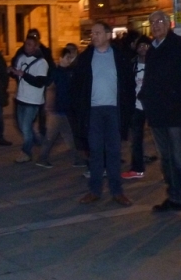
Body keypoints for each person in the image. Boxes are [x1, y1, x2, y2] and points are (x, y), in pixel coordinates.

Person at [71, 21, 134, 206]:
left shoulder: (120, 57)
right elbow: (76, 86)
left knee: (114, 151)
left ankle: (117, 192)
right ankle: (94, 190)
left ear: (108, 35)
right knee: (96, 152)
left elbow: (128, 85)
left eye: (98, 33)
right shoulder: (85, 58)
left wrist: (127, 110)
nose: (94, 36)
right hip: (93, 112)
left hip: (114, 110)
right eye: (92, 33)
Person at [138, 11, 181, 212]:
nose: (156, 26)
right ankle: (174, 196)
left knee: (178, 156)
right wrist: (144, 97)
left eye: (160, 21)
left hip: (175, 113)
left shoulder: (177, 45)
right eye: (152, 23)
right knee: (165, 158)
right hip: (157, 114)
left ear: (169, 23)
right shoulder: (152, 49)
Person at [36, 47, 85, 168]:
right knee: (50, 137)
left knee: (68, 136)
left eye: (70, 58)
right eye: (67, 58)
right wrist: (49, 107)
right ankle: (42, 159)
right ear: (60, 58)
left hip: (63, 110)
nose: (69, 60)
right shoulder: (55, 72)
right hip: (56, 110)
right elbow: (50, 89)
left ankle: (77, 159)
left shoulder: (69, 72)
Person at [8, 35, 49, 163]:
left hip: (33, 100)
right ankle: (38, 141)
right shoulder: (21, 58)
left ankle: (26, 153)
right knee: (21, 126)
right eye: (26, 44)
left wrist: (23, 74)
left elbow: (40, 82)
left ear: (36, 46)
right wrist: (12, 72)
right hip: (21, 97)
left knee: (26, 127)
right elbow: (18, 77)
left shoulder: (42, 63)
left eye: (30, 44)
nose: (27, 46)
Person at [121, 35, 151, 180]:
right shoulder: (132, 64)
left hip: (153, 106)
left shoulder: (156, 63)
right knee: (136, 139)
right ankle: (137, 168)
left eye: (146, 45)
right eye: (140, 45)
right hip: (136, 106)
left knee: (163, 140)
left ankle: (170, 171)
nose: (143, 48)